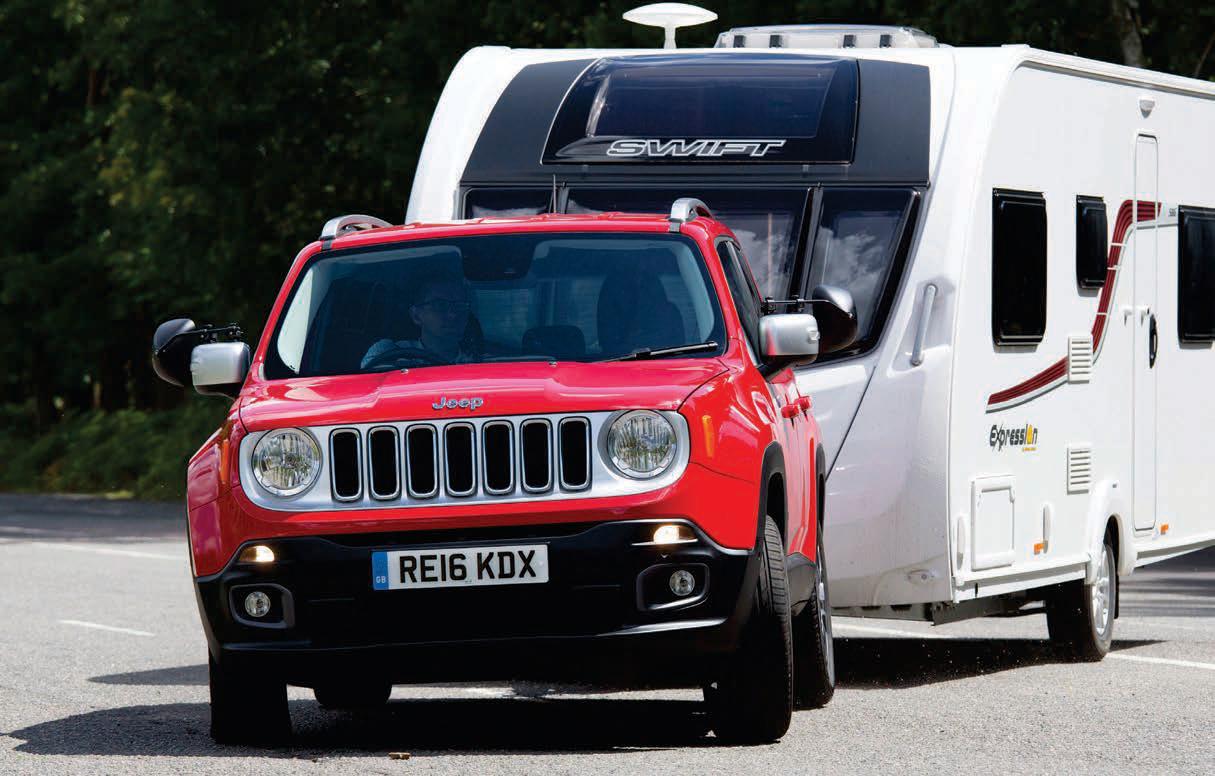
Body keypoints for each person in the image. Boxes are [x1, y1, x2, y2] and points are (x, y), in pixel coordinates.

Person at [361, 272, 478, 368]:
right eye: (439, 305)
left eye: (460, 305)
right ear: (416, 315)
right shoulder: (387, 353)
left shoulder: (484, 359)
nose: (453, 315)